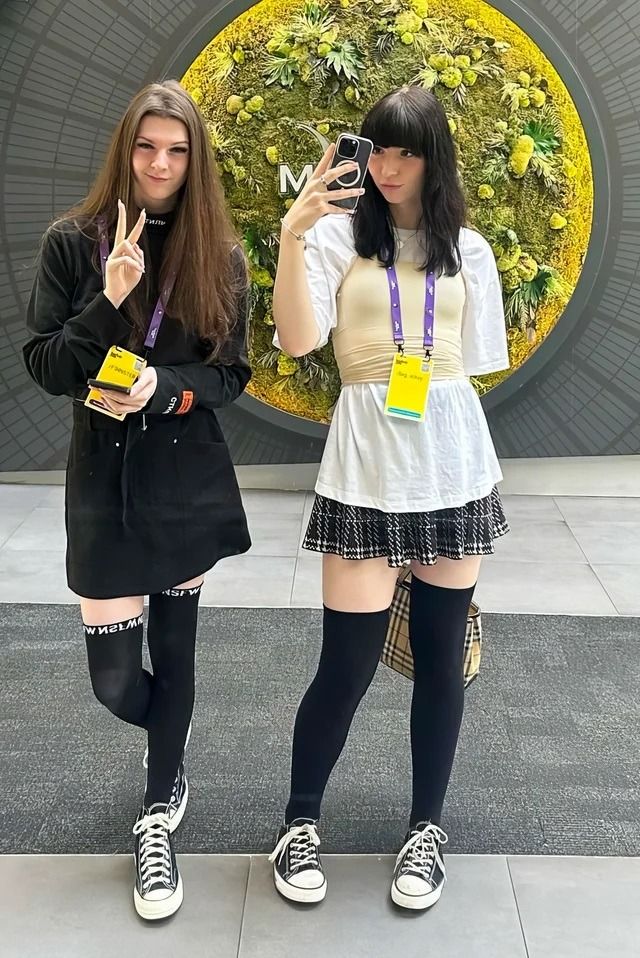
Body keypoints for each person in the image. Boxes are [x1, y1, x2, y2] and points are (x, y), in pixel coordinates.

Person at [268, 85, 510, 911]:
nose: (391, 168)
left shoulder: (469, 250)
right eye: (381, 151)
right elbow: (298, 339)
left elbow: (470, 364)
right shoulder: (336, 237)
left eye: (409, 152)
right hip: (366, 465)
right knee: (345, 664)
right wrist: (292, 233)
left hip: (450, 463)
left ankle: (425, 831)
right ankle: (299, 822)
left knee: (442, 662)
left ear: (435, 159)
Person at [23, 79, 251, 920]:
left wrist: (163, 387)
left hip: (185, 478)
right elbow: (48, 365)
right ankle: (170, 741)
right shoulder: (71, 243)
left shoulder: (219, 254)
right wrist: (110, 297)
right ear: (127, 148)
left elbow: (229, 374)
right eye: (147, 146)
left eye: (177, 150)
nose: (160, 164)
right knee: (117, 683)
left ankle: (157, 813)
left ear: (195, 160)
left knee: (177, 656)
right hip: (102, 482)